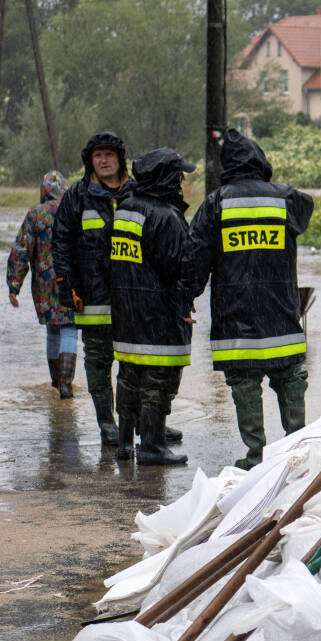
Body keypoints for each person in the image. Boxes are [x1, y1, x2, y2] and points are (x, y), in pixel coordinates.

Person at [189, 129, 314, 469]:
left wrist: (187, 296)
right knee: (289, 377)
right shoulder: (287, 198)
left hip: (235, 314)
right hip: (281, 308)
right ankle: (297, 446)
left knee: (244, 384)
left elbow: (196, 257)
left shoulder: (216, 203)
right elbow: (307, 208)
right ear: (260, 160)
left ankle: (256, 454)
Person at [109, 147, 196, 465]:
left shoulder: (126, 208)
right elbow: (179, 268)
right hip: (158, 315)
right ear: (166, 178)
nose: (182, 180)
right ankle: (152, 446)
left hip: (126, 311)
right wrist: (186, 301)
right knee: (158, 380)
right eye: (178, 174)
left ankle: (124, 443)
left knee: (129, 376)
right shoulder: (166, 216)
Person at [52, 131, 131, 444]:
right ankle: (107, 425)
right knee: (98, 363)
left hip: (132, 299)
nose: (104, 160)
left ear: (119, 158)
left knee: (135, 365)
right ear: (90, 161)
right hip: (93, 299)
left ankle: (138, 424)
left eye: (109, 154)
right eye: (98, 155)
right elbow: (61, 243)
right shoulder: (77, 195)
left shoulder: (135, 192)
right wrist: (66, 284)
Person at [7, 170, 76, 398]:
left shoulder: (35, 215)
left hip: (45, 286)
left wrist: (14, 285)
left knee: (52, 332)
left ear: (43, 190)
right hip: (72, 282)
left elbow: (20, 251)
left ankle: (56, 382)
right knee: (70, 330)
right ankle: (67, 384)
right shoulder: (75, 210)